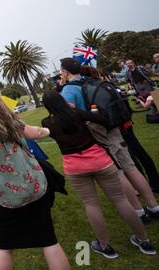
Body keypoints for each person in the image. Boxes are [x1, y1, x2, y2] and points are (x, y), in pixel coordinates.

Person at [0, 88, 72, 270]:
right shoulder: (12, 124)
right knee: (48, 241)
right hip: (34, 187)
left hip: (1, 197)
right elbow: (37, 132)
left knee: (3, 247)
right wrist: (52, 128)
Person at [41, 91, 155, 257]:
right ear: (62, 101)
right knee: (121, 200)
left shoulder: (47, 122)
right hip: (100, 161)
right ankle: (143, 240)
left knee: (91, 204)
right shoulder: (78, 114)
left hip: (75, 167)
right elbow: (104, 120)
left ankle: (105, 245)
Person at [60, 58, 159, 222]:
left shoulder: (69, 90)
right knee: (131, 167)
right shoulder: (93, 80)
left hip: (97, 132)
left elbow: (68, 117)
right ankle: (154, 206)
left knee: (118, 172)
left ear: (65, 71)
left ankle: (139, 212)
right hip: (113, 127)